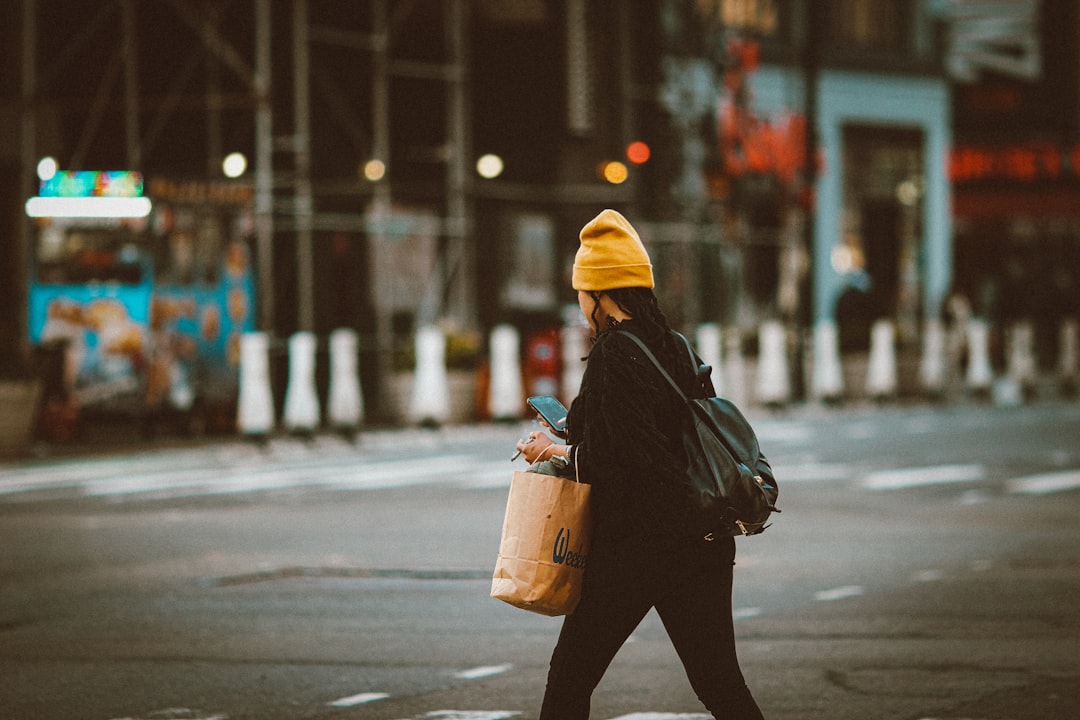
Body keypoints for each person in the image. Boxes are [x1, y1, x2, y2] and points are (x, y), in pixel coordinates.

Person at [514, 209, 766, 719]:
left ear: (600, 293)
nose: (581, 305)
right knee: (720, 684)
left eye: (582, 293)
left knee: (568, 682)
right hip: (702, 540)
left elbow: (627, 464)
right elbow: (675, 439)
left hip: (638, 548)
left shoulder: (613, 354)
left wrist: (554, 450)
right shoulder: (675, 347)